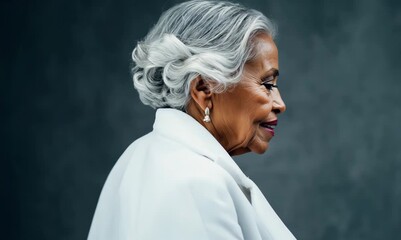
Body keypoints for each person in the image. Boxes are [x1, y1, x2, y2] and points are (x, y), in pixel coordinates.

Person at [88, 0, 296, 239]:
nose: (280, 104)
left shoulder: (135, 156)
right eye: (267, 84)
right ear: (204, 88)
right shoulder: (197, 185)